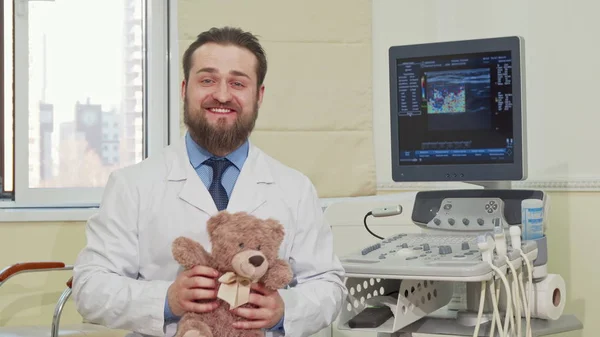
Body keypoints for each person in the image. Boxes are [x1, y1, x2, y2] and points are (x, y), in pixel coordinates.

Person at [71, 26, 347, 337]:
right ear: (184, 89)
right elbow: (89, 287)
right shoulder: (132, 185)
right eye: (207, 80)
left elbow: (329, 285)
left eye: (238, 83)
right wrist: (166, 299)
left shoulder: (295, 188)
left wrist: (285, 310)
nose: (222, 95)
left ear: (259, 95)